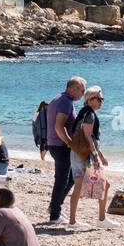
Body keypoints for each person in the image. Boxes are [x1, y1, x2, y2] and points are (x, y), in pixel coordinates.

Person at [68, 86, 113, 228]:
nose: (101, 102)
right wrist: (95, 157)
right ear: (90, 100)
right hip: (84, 156)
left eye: (102, 99)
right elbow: (88, 137)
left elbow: (90, 138)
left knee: (79, 185)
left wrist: (101, 155)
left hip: (76, 153)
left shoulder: (84, 112)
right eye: (99, 99)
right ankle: (100, 219)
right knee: (104, 184)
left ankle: (74, 221)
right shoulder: (90, 115)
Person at [45, 76, 86, 224]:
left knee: (68, 178)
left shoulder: (59, 98)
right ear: (73, 88)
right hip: (60, 146)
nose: (83, 94)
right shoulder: (65, 102)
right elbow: (59, 126)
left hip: (54, 144)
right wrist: (70, 143)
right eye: (82, 90)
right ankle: (54, 214)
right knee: (62, 180)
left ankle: (54, 207)